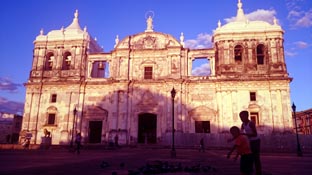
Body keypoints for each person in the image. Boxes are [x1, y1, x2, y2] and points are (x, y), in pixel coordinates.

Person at [239, 110, 262, 175]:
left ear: (247, 116)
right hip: (250, 141)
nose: (241, 118)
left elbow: (255, 134)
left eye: (242, 117)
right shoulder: (243, 124)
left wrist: (245, 135)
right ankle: (250, 171)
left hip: (256, 141)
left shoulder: (251, 123)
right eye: (240, 117)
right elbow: (241, 133)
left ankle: (258, 172)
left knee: (256, 157)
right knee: (250, 157)